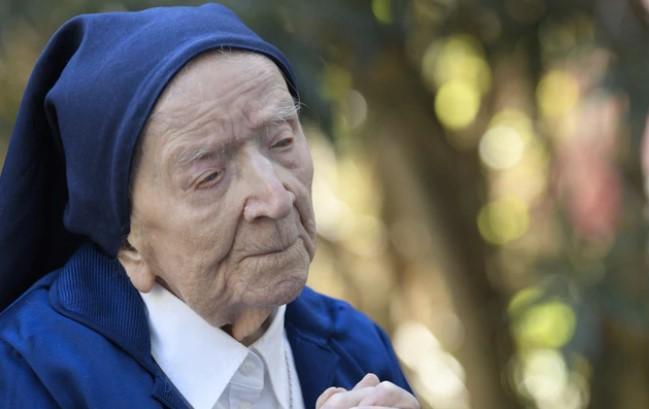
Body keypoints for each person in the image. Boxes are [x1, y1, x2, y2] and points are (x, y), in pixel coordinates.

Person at [0, 4, 420, 409]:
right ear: (128, 243)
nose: (275, 199)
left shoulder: (355, 347)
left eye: (282, 142)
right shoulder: (28, 376)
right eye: (209, 176)